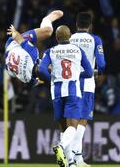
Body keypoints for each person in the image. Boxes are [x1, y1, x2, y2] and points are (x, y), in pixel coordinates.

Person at [38, 25, 93, 167]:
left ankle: (70, 163)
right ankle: (61, 147)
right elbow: (88, 72)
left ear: (56, 38)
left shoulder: (50, 51)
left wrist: (52, 78)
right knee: (72, 127)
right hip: (73, 91)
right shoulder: (78, 50)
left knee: (64, 129)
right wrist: (76, 74)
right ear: (70, 37)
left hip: (56, 92)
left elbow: (42, 69)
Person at [69, 12, 106, 167]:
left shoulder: (69, 39)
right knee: (83, 120)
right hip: (87, 83)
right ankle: (74, 158)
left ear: (76, 25)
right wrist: (97, 72)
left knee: (71, 120)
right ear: (90, 26)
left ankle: (75, 158)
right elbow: (102, 64)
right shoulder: (95, 39)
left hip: (70, 83)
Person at [5, 10, 63, 84]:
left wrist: (13, 31)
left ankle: (46, 20)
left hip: (13, 44)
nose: (51, 64)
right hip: (9, 66)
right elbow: (37, 80)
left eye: (50, 66)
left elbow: (18, 38)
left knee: (48, 32)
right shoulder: (29, 80)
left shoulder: (33, 53)